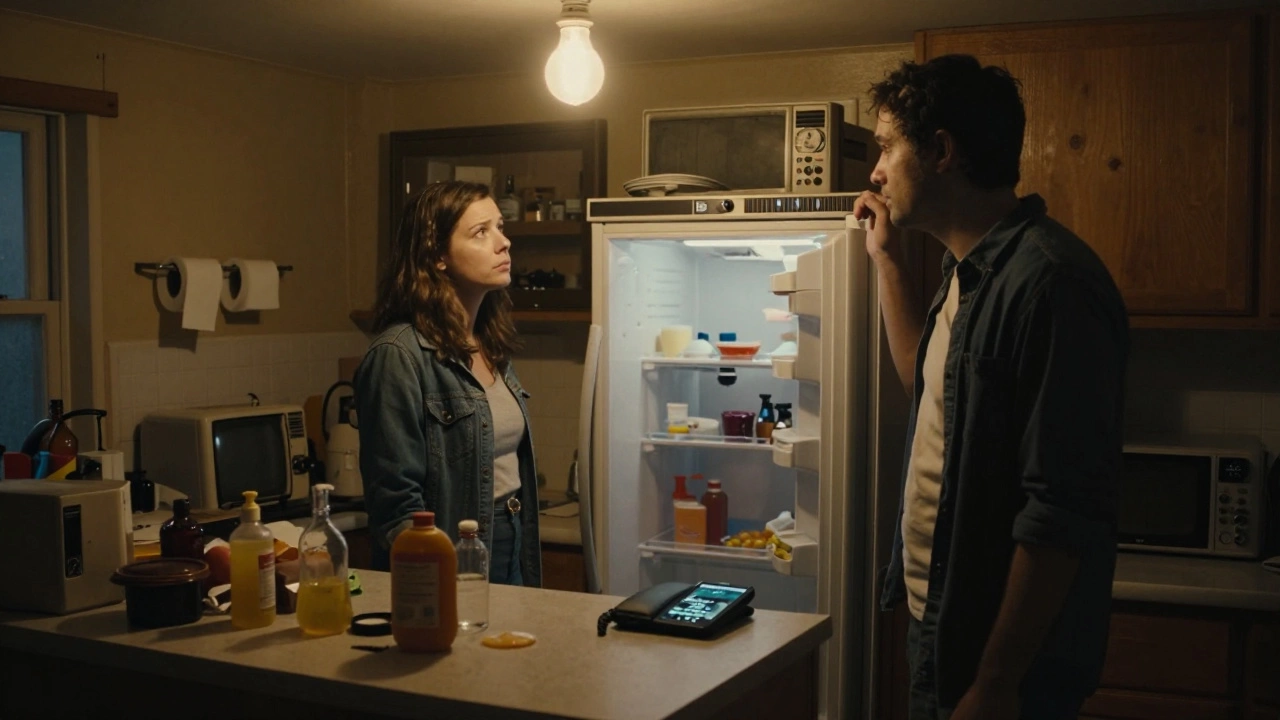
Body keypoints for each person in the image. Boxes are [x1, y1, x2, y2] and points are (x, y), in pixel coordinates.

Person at [855, 55, 1128, 720]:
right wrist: (888, 262)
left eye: (888, 146)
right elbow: (927, 379)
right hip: (939, 622)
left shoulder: (1051, 284)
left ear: (942, 151)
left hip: (1002, 661)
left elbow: (1058, 512)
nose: (876, 171)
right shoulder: (969, 269)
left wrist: (999, 680)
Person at [355, 180, 541, 587]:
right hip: (450, 557)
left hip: (512, 538)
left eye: (500, 226)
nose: (503, 243)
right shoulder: (398, 355)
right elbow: (396, 504)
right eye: (481, 232)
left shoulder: (490, 346)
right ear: (437, 255)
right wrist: (432, 585)